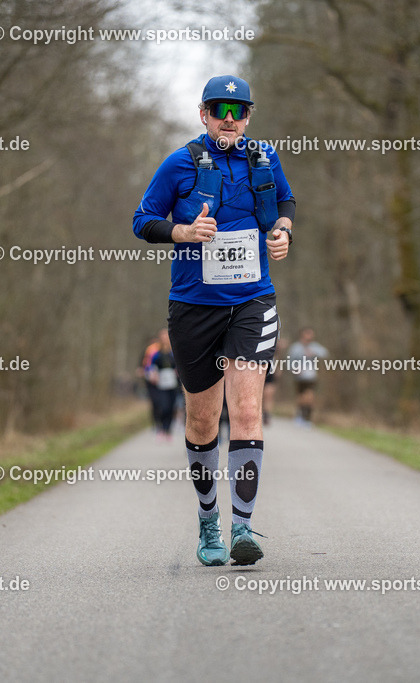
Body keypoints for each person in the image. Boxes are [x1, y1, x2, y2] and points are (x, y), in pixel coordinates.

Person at [132, 74, 295, 566]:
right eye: (220, 109)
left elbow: (285, 202)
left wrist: (283, 230)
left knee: (246, 413)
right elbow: (143, 220)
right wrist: (182, 231)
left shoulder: (263, 158)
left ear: (248, 116)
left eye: (239, 110)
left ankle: (243, 528)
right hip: (193, 307)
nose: (230, 117)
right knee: (203, 421)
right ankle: (209, 522)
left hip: (252, 301)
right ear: (203, 114)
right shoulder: (178, 163)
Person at [287, 327, 328, 426]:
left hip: (311, 375)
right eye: (307, 334)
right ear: (302, 335)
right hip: (299, 376)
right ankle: (299, 415)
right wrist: (294, 369)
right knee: (301, 397)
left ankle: (307, 417)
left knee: (310, 396)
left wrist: (314, 353)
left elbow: (325, 353)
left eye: (311, 334)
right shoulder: (296, 347)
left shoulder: (314, 346)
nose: (309, 337)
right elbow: (289, 360)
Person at [144, 329, 179, 441]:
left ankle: (168, 430)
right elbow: (149, 366)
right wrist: (153, 374)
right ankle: (161, 429)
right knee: (164, 406)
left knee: (171, 407)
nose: (165, 339)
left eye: (166, 336)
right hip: (161, 384)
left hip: (173, 384)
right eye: (163, 337)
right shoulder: (156, 353)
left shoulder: (174, 352)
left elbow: (180, 365)